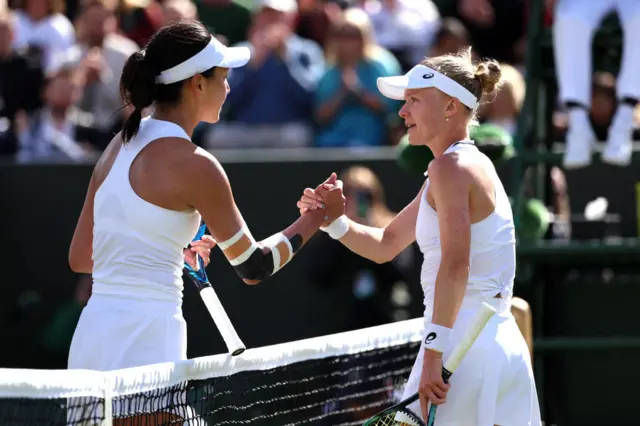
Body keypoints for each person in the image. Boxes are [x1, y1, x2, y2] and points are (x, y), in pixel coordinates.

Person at [67, 20, 343, 423]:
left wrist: (168, 248)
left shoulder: (120, 141)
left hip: (90, 341)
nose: (229, 87)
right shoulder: (198, 167)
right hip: (146, 345)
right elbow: (253, 265)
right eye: (224, 78)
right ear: (197, 83)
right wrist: (315, 218)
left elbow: (82, 259)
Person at [298, 48, 541, 425]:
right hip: (495, 346)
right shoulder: (458, 166)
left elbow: (456, 265)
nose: (402, 111)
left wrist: (433, 356)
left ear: (450, 107)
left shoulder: (451, 168)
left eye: (413, 100)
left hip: (461, 351)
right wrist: (334, 221)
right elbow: (386, 244)